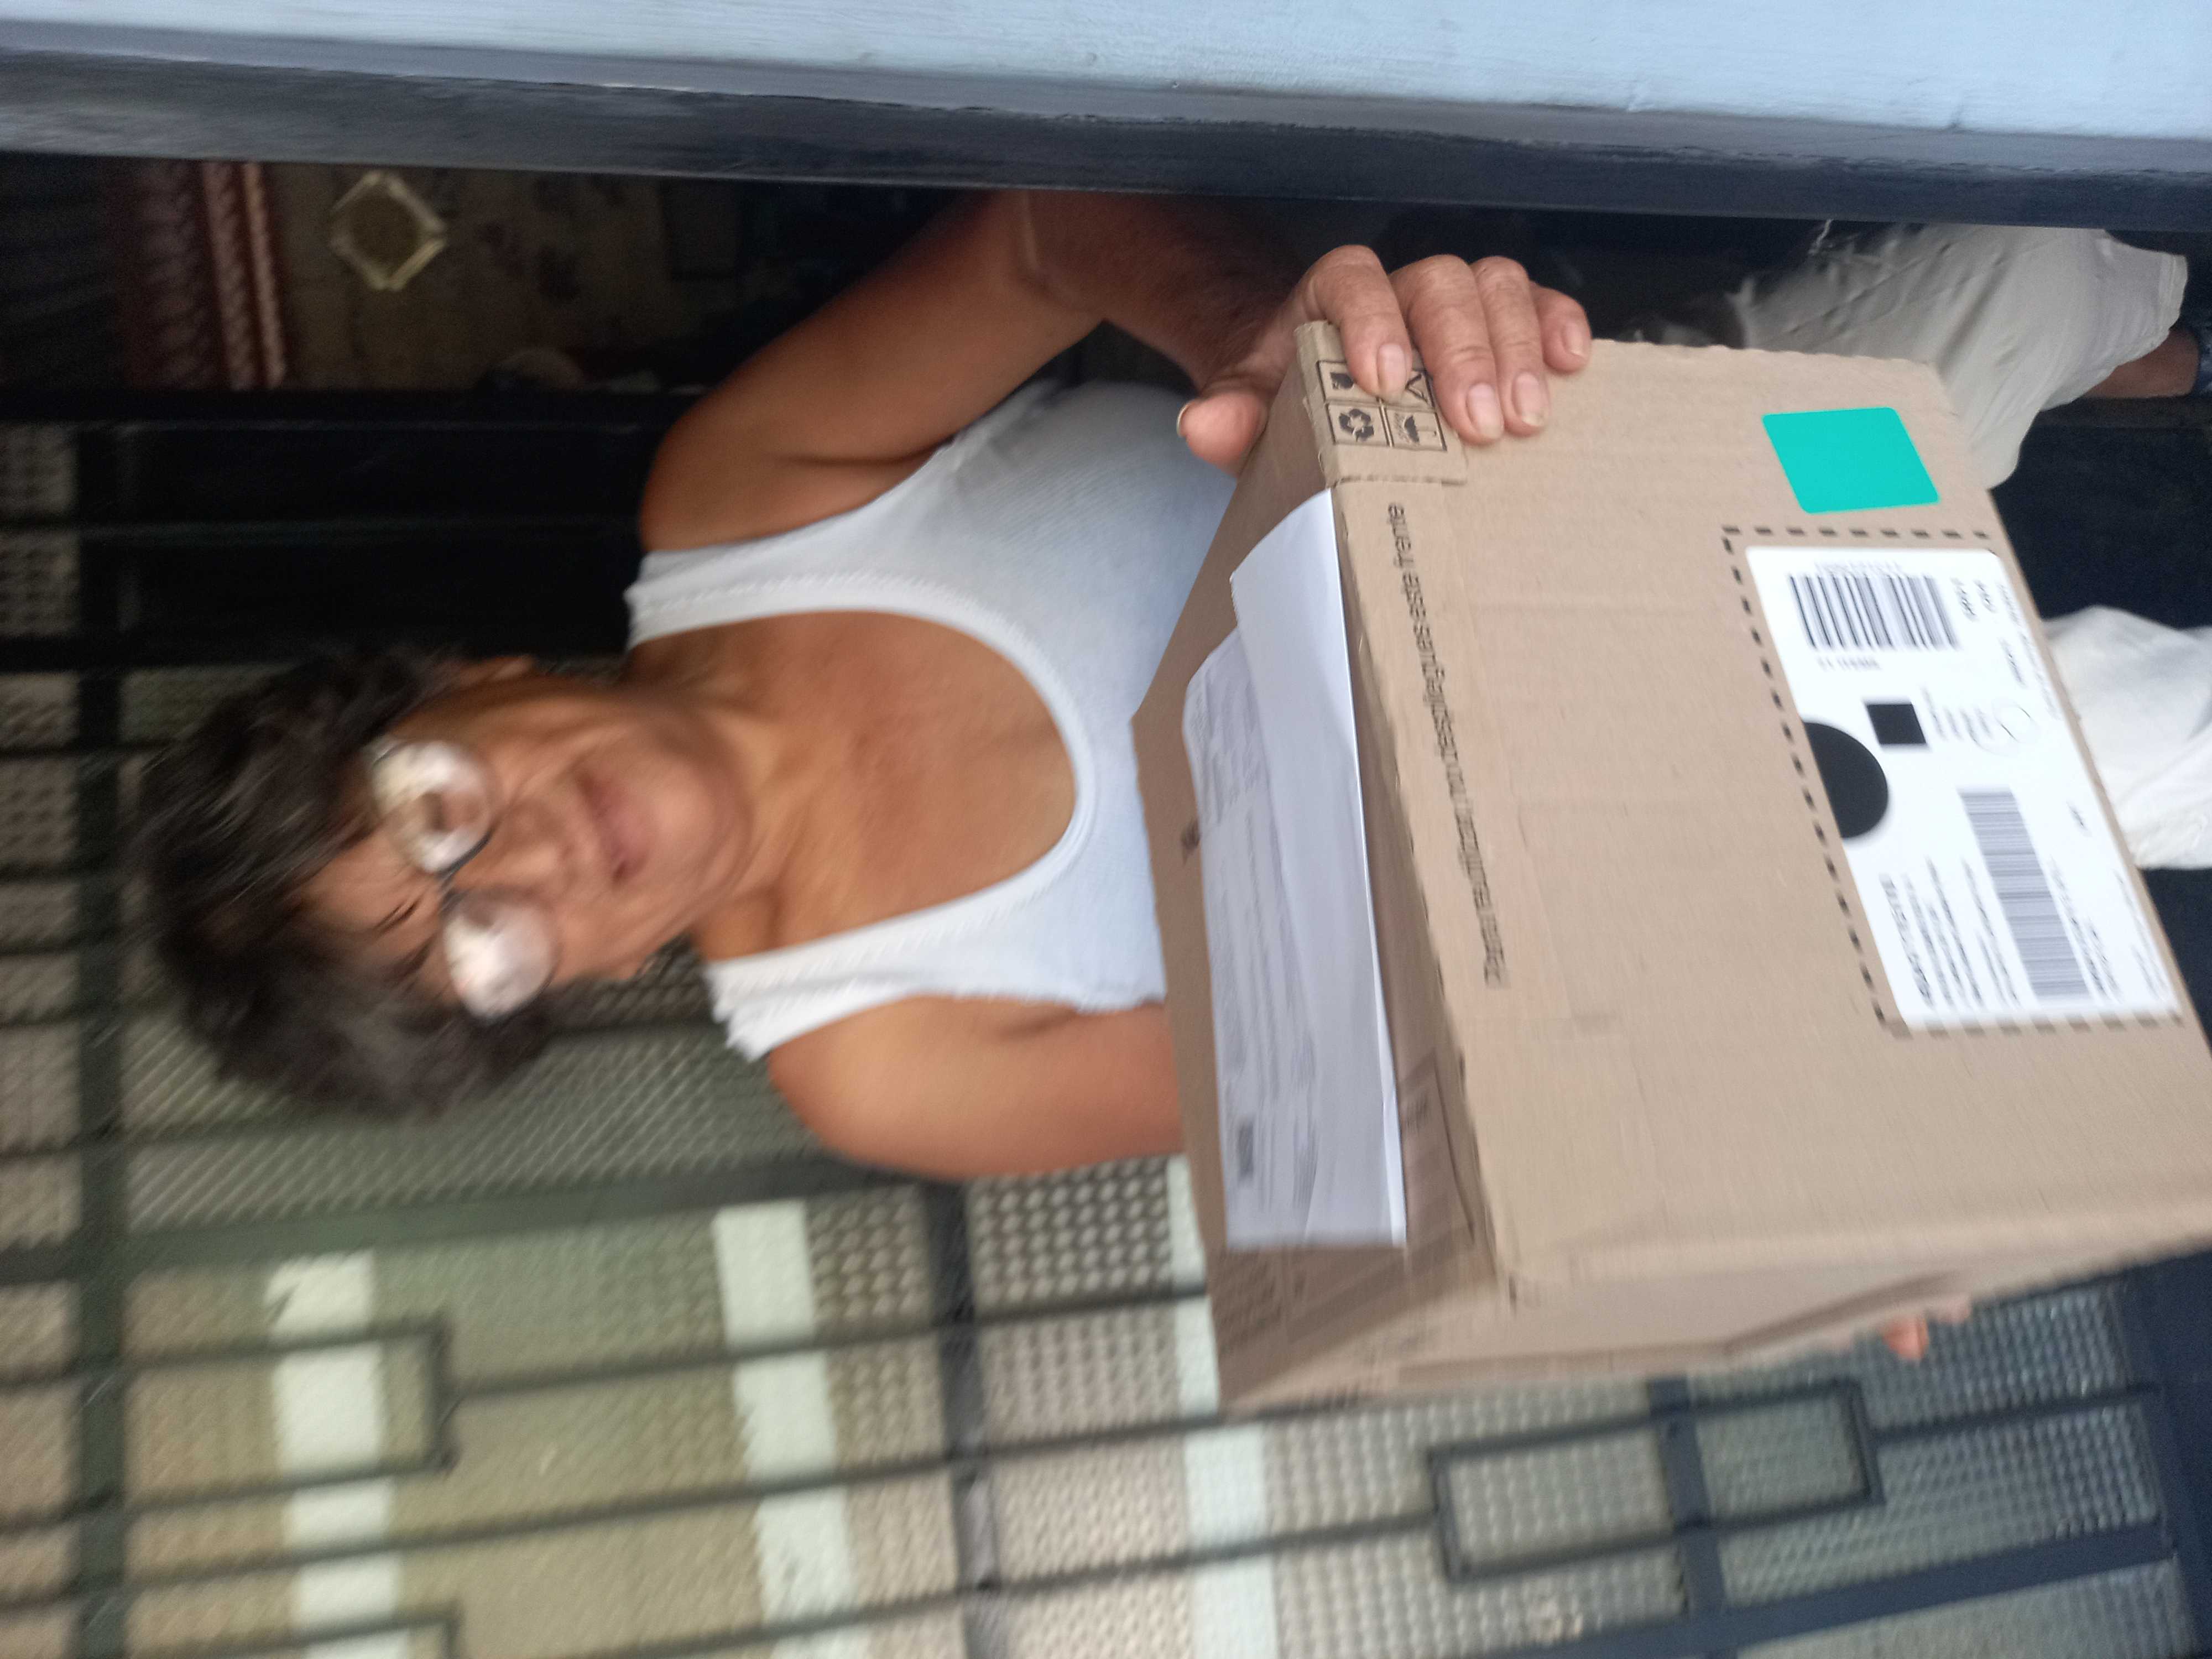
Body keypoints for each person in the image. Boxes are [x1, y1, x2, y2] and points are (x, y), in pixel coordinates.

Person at [142, 197, 2193, 1358]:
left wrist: (1255, 341)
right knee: (2159, 748)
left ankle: (2157, 346)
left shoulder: (744, 508)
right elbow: (1362, 1075)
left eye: (434, 812)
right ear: (567, 994)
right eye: (482, 948)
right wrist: (1772, 1184)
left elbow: (1042, 245)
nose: (527, 872)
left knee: (2043, 270)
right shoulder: (876, 1056)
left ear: (471, 684)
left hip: (1629, 463)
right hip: (1695, 820)